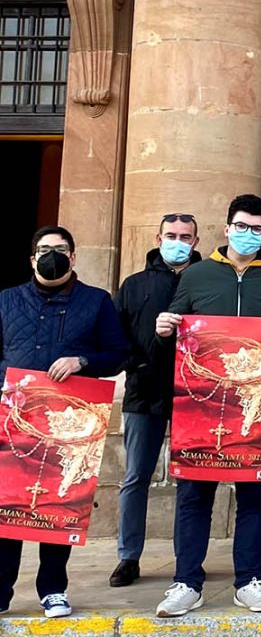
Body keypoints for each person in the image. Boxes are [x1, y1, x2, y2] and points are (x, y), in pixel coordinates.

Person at [152, 194, 261, 617]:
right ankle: (186, 582)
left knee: (254, 496)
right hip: (202, 402)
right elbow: (175, 331)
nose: (247, 233)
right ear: (226, 227)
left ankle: (249, 580)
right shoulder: (197, 275)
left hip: (256, 406)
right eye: (241, 225)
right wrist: (164, 328)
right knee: (194, 496)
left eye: (256, 228)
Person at [0, 226, 129, 617]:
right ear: (32, 258)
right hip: (14, 418)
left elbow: (118, 353)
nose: (50, 255)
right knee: (10, 507)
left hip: (68, 420)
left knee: (58, 504)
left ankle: (53, 588)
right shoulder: (7, 300)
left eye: (59, 249)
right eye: (44, 249)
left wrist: (83, 361)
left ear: (73, 258)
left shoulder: (96, 301)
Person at [110, 214, 202, 587]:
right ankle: (128, 557)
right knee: (135, 477)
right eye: (171, 235)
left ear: (196, 241)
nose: (177, 241)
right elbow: (116, 338)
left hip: (194, 395)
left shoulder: (208, 280)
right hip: (143, 392)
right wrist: (139, 362)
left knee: (190, 480)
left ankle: (187, 556)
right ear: (158, 237)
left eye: (185, 236)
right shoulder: (134, 285)